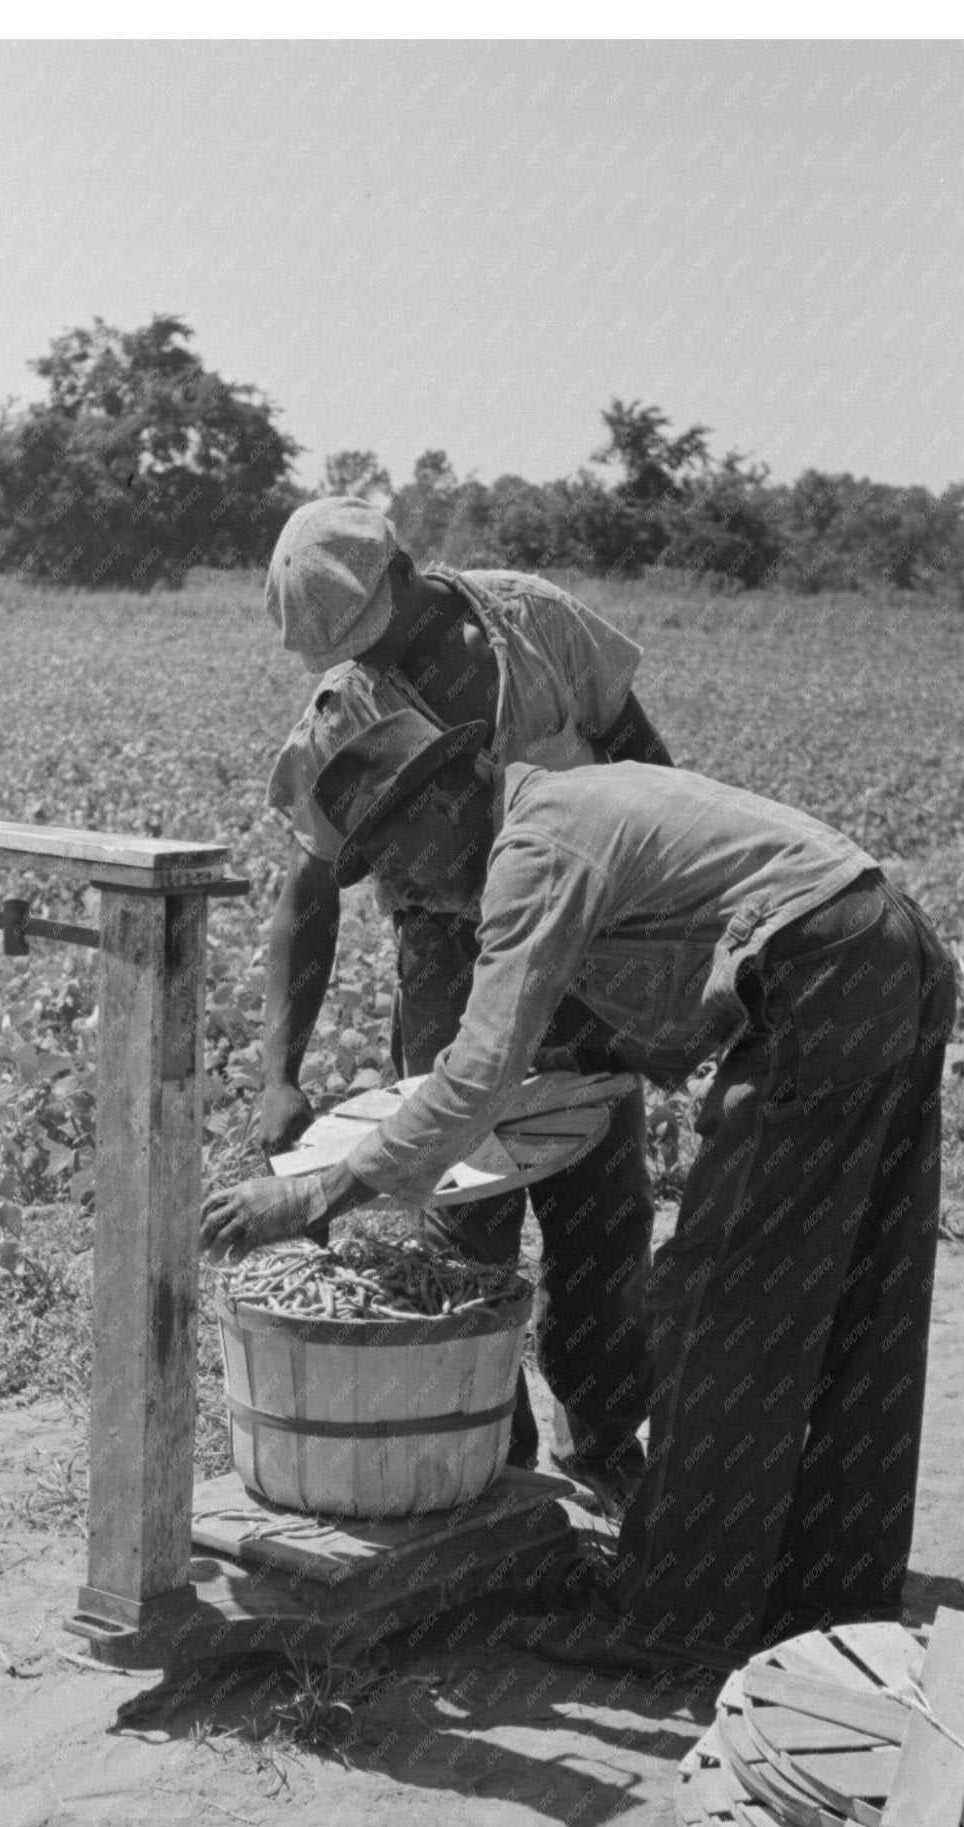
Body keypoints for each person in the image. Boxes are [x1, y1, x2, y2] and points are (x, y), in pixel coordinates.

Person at [201, 708, 957, 1673]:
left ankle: (674, 1620)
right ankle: (830, 1595)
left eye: (393, 854)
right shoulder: (567, 806)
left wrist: (315, 1194)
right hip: (887, 948)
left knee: (713, 1300)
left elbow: (471, 1075)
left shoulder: (535, 850)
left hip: (822, 972)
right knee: (861, 1289)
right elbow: (671, 1003)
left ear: (445, 799)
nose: (398, 888)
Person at [259, 495, 673, 1495]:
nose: (369, 660)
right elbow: (308, 891)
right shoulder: (341, 713)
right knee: (463, 1219)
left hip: (589, 929)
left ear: (404, 570)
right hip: (447, 959)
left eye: (375, 633)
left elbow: (646, 761)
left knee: (600, 1215)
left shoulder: (532, 622)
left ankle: (609, 1459)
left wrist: (653, 950)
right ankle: (495, 1471)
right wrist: (280, 1071)